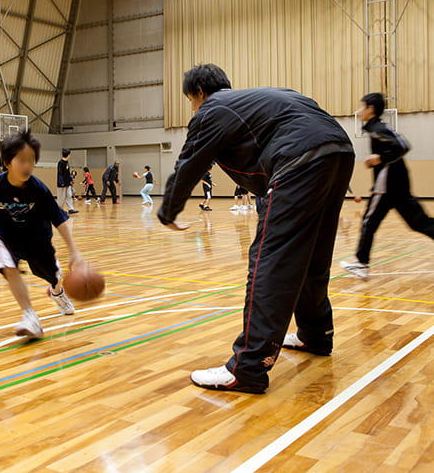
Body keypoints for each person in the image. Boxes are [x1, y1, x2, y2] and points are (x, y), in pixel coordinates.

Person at [158, 63, 354, 394]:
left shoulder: (213, 109)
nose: (193, 108)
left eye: (191, 101)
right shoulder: (260, 101)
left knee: (270, 261)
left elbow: (189, 163)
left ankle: (248, 367)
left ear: (198, 94)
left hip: (298, 157)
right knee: (313, 255)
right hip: (339, 149)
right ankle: (316, 335)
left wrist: (168, 211)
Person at [0, 129, 82, 339]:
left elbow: (60, 220)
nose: (28, 165)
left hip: (38, 239)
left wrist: (74, 251)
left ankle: (56, 291)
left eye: (31, 160)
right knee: (8, 266)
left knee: (52, 276)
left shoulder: (38, 188)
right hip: (8, 237)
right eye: (22, 160)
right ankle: (30, 316)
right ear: (7, 162)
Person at [340, 92, 434, 280]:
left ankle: (361, 264)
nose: (359, 111)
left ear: (371, 109)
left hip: (386, 186)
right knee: (419, 222)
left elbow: (402, 145)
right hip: (399, 185)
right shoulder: (378, 128)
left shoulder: (377, 128)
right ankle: (361, 263)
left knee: (369, 222)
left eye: (362, 107)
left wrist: (380, 158)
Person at [56, 148, 77, 214]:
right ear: (68, 155)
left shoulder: (67, 162)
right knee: (61, 198)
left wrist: (71, 179)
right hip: (62, 184)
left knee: (69, 195)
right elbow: (60, 173)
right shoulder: (60, 163)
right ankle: (59, 210)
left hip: (68, 183)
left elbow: (68, 173)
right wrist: (61, 182)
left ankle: (71, 209)